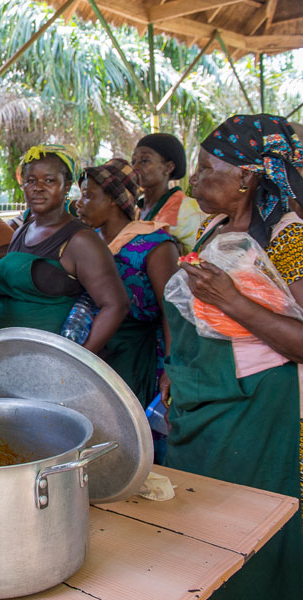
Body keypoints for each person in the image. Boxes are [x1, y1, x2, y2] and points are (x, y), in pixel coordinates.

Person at [162, 114, 303, 599]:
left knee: (252, 533)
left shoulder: (289, 237)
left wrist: (234, 301)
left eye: (205, 168)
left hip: (259, 413)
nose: (194, 179)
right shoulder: (216, 226)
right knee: (205, 536)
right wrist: (174, 366)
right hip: (204, 403)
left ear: (245, 177)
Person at [0, 145, 129, 354]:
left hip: (52, 365)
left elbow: (116, 306)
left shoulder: (81, 240)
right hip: (6, 357)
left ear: (66, 186)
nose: (38, 187)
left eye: (49, 180)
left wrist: (76, 361)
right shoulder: (20, 232)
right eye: (31, 181)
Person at [75, 158, 178, 410]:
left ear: (112, 199)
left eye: (88, 196)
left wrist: (172, 367)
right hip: (95, 351)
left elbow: (172, 310)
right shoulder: (85, 240)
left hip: (136, 356)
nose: (78, 203)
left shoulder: (154, 243)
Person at [131, 133, 205, 253]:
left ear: (168, 167)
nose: (135, 167)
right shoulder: (137, 209)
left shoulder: (189, 210)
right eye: (133, 161)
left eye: (144, 161)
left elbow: (197, 256)